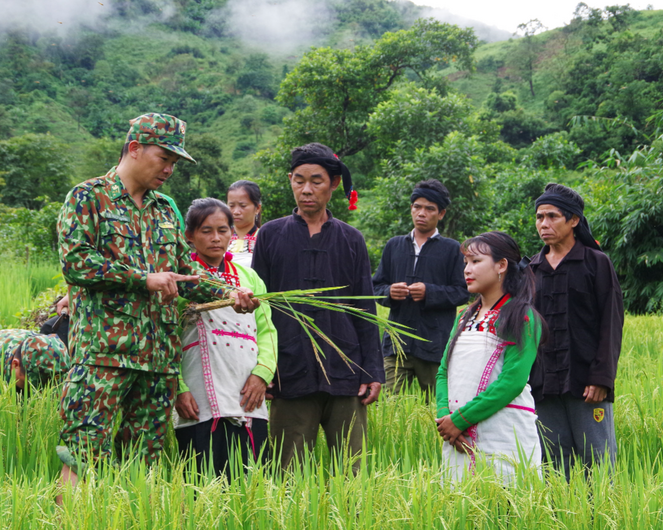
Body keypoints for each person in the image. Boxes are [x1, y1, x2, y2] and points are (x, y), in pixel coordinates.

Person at [55, 113, 258, 497]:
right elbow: (77, 262)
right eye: (163, 158)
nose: (169, 169)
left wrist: (228, 295)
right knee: (82, 452)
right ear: (134, 149)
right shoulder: (88, 197)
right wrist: (142, 278)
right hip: (104, 354)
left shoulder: (165, 208)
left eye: (174, 163)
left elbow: (185, 272)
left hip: (157, 360)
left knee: (141, 462)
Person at [252, 142, 384, 472]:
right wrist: (262, 370)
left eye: (316, 181)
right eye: (299, 181)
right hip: (289, 371)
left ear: (334, 184)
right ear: (290, 180)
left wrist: (372, 372)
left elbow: (365, 307)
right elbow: (260, 310)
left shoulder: (351, 238)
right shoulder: (269, 235)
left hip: (345, 369)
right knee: (288, 472)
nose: (306, 190)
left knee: (353, 472)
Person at [173, 198, 277, 477]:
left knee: (252, 478)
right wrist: (178, 387)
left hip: (247, 389)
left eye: (223, 230)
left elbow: (267, 331)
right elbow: (165, 336)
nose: (216, 238)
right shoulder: (181, 280)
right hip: (197, 395)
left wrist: (262, 374)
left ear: (233, 232)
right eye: (206, 231)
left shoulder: (248, 277)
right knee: (203, 477)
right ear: (189, 236)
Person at [529, 183, 624, 480]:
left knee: (597, 460)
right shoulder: (531, 269)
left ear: (574, 221)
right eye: (540, 217)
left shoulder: (596, 263)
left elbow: (612, 322)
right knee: (554, 462)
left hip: (586, 383)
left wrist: (602, 378)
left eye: (552, 216)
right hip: (543, 384)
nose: (544, 224)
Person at [436, 231, 543, 484]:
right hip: (457, 437)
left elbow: (512, 382)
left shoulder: (523, 317)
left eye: (475, 262)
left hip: (504, 433)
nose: (467, 270)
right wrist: (446, 420)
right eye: (466, 263)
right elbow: (443, 371)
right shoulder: (464, 316)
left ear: (501, 266)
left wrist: (460, 419)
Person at [372, 179, 468, 397]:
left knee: (436, 408)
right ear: (411, 209)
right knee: (389, 407)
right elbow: (375, 287)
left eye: (429, 209)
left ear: (441, 214)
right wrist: (389, 292)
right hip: (396, 344)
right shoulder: (394, 245)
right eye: (417, 207)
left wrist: (430, 292)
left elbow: (462, 292)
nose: (421, 213)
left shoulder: (452, 249)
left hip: (434, 345)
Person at [226, 180, 263, 268]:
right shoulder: (220, 237)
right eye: (231, 206)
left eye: (242, 206)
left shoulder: (265, 239)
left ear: (257, 208)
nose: (236, 212)